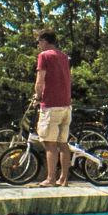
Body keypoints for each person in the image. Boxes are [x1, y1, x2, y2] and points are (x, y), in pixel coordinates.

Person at [32, 27, 74, 187]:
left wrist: (38, 96)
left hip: (51, 105)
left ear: (44, 41)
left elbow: (40, 80)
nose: (38, 45)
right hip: (66, 105)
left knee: (49, 143)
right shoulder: (64, 56)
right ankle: (63, 178)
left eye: (38, 42)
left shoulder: (44, 56)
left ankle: (50, 178)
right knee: (63, 144)